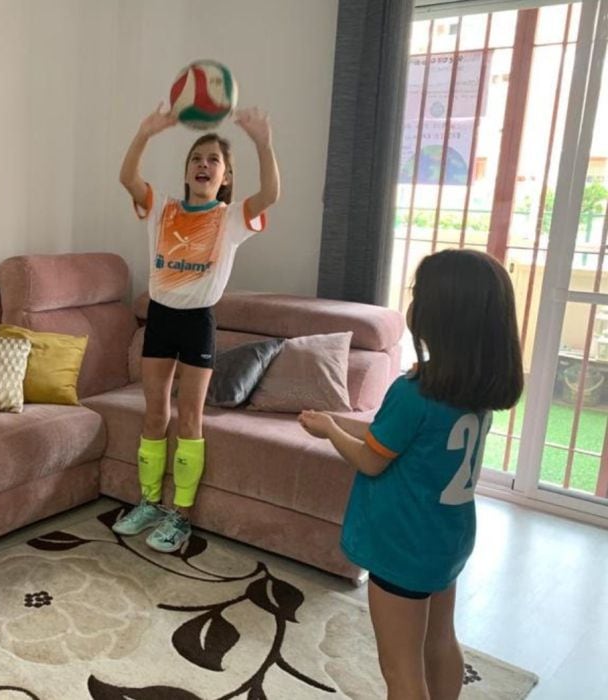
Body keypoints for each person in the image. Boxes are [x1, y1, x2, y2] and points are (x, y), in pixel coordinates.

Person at [299, 249, 524, 699]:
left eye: (419, 294)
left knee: (401, 669)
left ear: (438, 316)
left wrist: (329, 430)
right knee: (440, 643)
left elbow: (370, 459)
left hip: (403, 542)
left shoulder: (414, 392)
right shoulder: (474, 391)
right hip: (447, 539)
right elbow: (410, 443)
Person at [114, 104, 280, 552]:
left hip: (198, 323)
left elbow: (270, 195)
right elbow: (128, 178)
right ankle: (148, 501)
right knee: (153, 415)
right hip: (161, 319)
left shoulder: (230, 219)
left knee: (190, 419)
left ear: (225, 176)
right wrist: (144, 131)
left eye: (213, 161)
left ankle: (180, 515)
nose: (203, 165)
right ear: (187, 171)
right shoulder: (162, 208)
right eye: (196, 159)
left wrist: (262, 142)